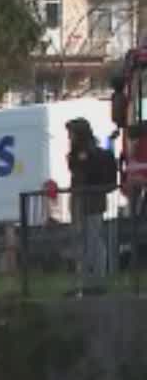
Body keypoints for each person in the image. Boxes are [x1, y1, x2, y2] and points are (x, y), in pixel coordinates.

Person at [67, 117, 119, 293]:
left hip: (91, 200)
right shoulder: (78, 153)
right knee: (85, 240)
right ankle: (87, 279)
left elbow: (85, 173)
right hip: (83, 200)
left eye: (72, 133)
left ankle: (95, 279)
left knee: (93, 239)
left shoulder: (91, 154)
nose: (69, 137)